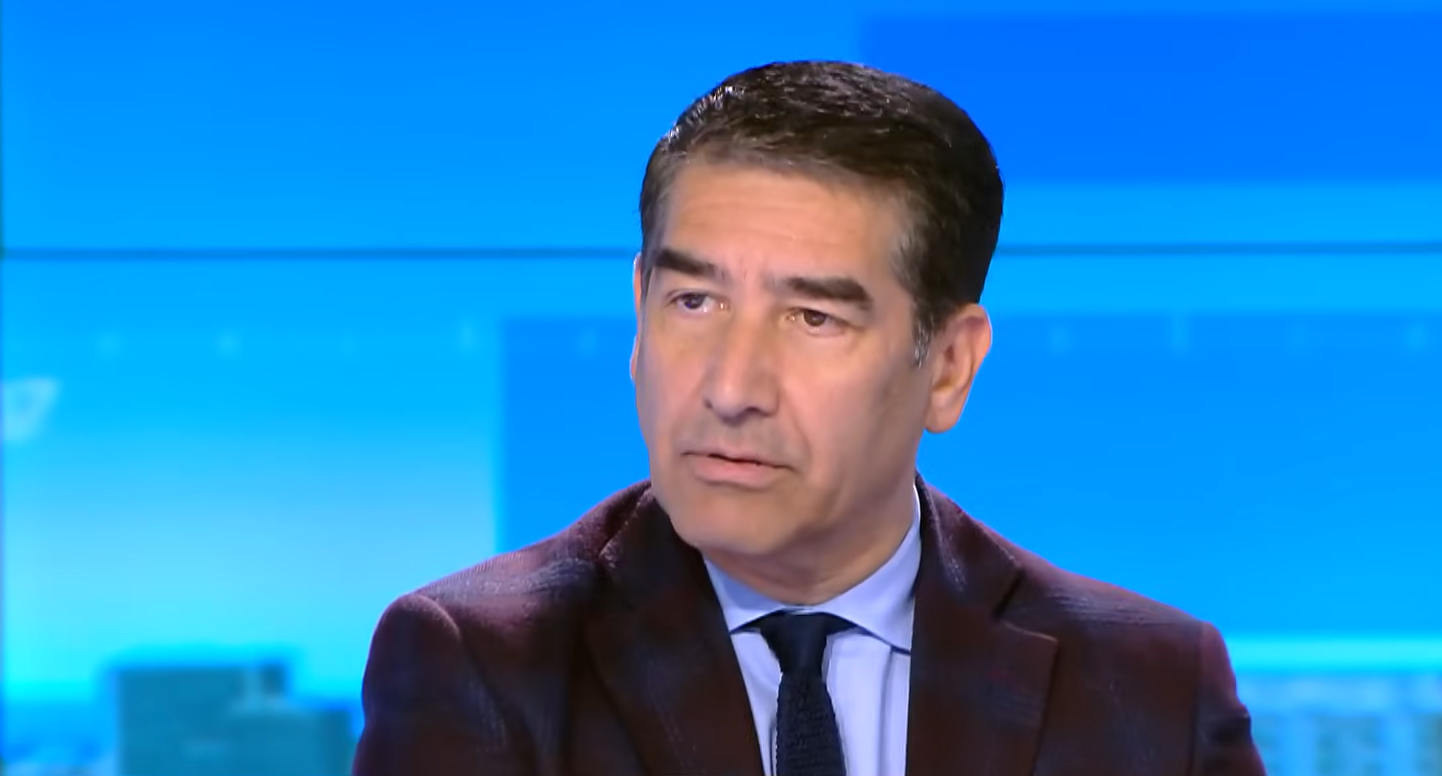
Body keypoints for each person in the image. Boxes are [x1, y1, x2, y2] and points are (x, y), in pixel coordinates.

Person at [352, 60, 1266, 776]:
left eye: (813, 318)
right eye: (694, 302)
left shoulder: (1149, 688)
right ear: (637, 313)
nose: (731, 387)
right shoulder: (484, 664)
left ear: (949, 366)